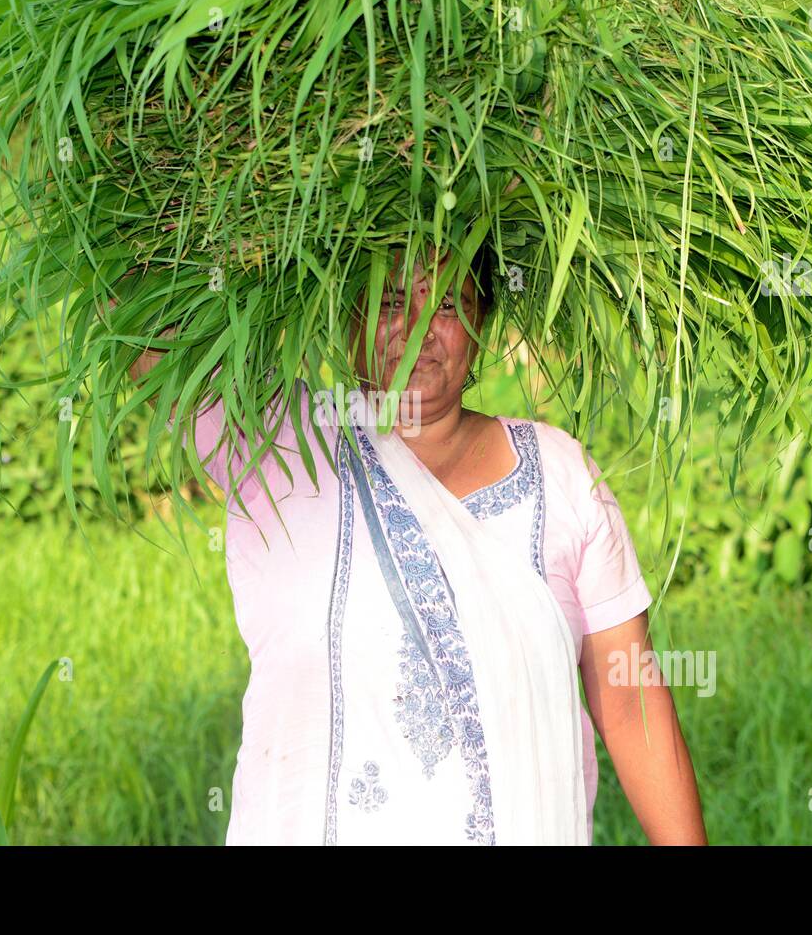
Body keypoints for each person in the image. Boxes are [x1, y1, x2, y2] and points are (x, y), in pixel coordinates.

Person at [130, 243, 708, 845]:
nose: (417, 331)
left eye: (450, 305)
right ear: (345, 315)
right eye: (391, 301)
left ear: (481, 327)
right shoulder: (280, 444)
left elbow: (630, 697)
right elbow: (144, 322)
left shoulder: (560, 474)